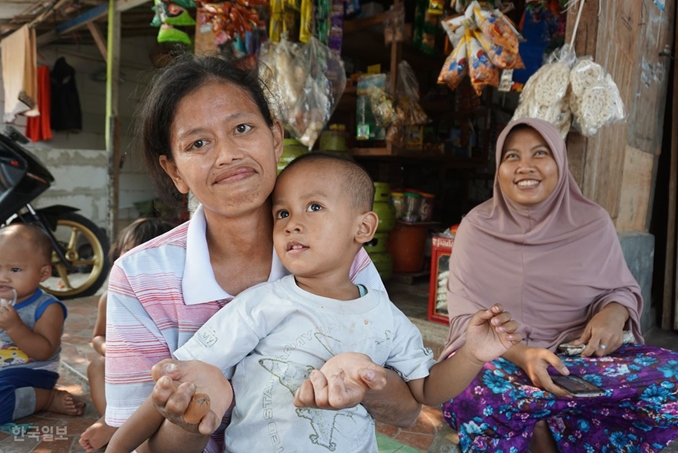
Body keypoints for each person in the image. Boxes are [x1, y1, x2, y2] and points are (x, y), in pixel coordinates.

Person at [99, 52, 430, 453]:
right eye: (198, 143)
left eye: (241, 128)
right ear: (175, 172)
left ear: (275, 138)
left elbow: (406, 413)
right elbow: (140, 446)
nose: (227, 155)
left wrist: (364, 382)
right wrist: (191, 419)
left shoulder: (336, 256)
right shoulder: (139, 278)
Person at [106, 152, 522, 453]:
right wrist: (117, 448)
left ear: (363, 226)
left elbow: (428, 391)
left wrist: (472, 354)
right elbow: (181, 381)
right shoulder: (262, 303)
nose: (294, 223)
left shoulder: (386, 317)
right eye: (282, 214)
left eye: (315, 207)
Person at [439, 117, 678, 452]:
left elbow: (619, 289)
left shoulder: (592, 221)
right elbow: (465, 322)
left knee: (674, 379)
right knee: (475, 389)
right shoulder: (476, 227)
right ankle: (551, 425)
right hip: (500, 363)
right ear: (499, 168)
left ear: (560, 163)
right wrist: (522, 355)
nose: (525, 167)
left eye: (540, 153)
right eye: (512, 157)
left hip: (574, 362)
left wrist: (614, 313)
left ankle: (542, 418)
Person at [79, 217, 175, 452]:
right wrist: (109, 349)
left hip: (155, 369)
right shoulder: (109, 297)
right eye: (129, 253)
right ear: (117, 255)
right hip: (121, 366)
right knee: (96, 366)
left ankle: (138, 427)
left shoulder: (169, 298)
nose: (136, 262)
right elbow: (97, 336)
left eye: (146, 255)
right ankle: (112, 421)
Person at [0, 224, 84, 425]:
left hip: (31, 372)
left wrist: (14, 327)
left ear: (43, 273)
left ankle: (46, 399)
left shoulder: (47, 308)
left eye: (15, 269)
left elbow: (44, 351)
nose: (2, 277)